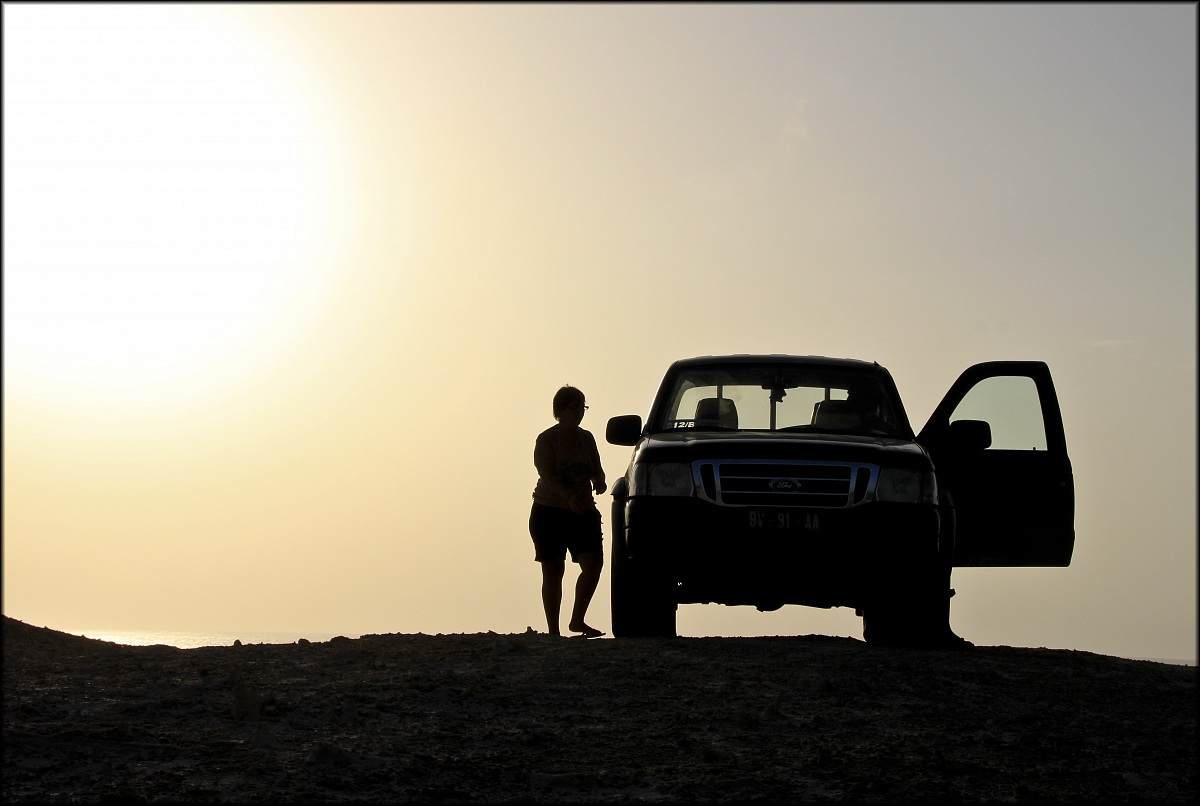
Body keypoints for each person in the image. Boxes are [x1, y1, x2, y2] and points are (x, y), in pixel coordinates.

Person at [529, 385, 607, 637]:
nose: (580, 413)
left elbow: (597, 467)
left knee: (593, 564)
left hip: (583, 511)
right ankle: (553, 630)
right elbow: (547, 475)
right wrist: (568, 496)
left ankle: (577, 619)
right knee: (553, 570)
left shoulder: (587, 438)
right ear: (561, 410)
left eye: (583, 407)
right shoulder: (547, 439)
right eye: (575, 407)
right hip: (549, 511)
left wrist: (600, 480)